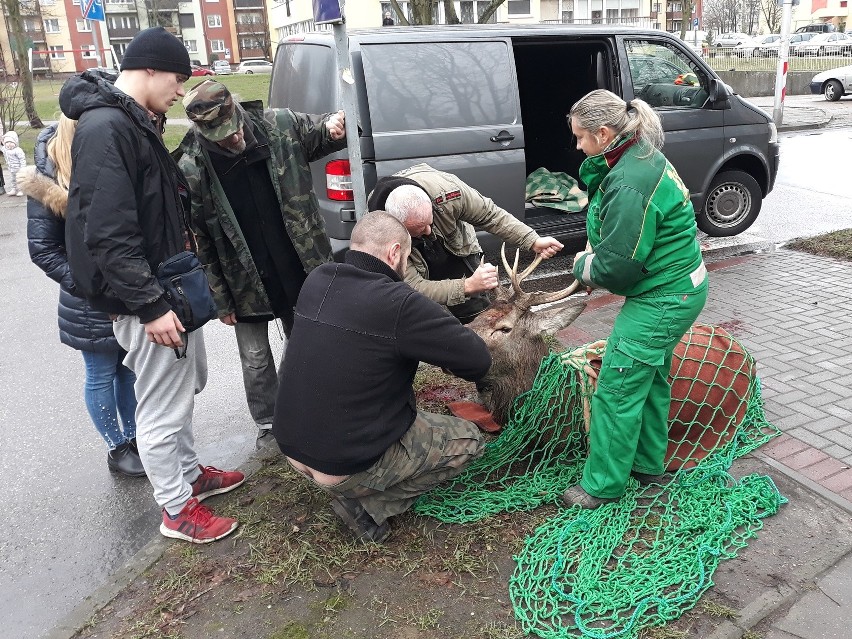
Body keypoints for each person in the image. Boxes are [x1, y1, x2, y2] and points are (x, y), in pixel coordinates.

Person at [59, 27, 246, 543]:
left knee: (187, 385)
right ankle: (175, 509)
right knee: (162, 405)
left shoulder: (136, 122)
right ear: (150, 69)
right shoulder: (107, 128)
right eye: (178, 79)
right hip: (148, 300)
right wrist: (149, 306)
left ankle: (190, 476)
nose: (181, 92)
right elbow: (108, 233)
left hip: (169, 288)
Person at [272, 211, 492, 543]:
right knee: (469, 440)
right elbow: (478, 358)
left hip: (290, 445)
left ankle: (352, 482)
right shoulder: (400, 303)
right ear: (393, 253)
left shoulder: (318, 278)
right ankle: (371, 507)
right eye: (406, 256)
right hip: (342, 464)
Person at [176, 80, 346, 445]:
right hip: (243, 279)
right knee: (254, 358)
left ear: (237, 111)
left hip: (299, 262)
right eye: (221, 137)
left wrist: (334, 128)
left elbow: (319, 133)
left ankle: (299, 407)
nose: (232, 139)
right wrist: (220, 300)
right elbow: (200, 243)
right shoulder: (191, 167)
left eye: (233, 129)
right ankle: (269, 424)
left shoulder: (278, 124)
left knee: (305, 339)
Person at [561, 89, 708, 510]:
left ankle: (602, 486)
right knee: (650, 376)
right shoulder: (637, 153)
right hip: (680, 287)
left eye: (581, 138)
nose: (577, 146)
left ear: (604, 133)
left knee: (618, 386)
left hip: (664, 297)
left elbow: (619, 269)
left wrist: (583, 266)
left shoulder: (629, 182)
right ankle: (646, 463)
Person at [19, 116, 144, 477]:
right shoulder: (46, 179)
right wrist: (91, 287)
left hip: (122, 294)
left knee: (126, 370)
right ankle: (116, 447)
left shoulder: (103, 165)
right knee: (101, 372)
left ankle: (134, 437)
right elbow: (42, 249)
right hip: (87, 300)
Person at [368, 164, 564, 323]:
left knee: (476, 312)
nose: (429, 232)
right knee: (417, 310)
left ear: (432, 203)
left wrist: (532, 240)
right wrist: (467, 286)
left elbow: (490, 215)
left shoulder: (447, 191)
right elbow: (413, 286)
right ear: (398, 227)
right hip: (412, 261)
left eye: (430, 222)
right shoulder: (383, 231)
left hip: (455, 246)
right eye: (420, 229)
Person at [3, 131, 27, 196]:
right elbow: (1, 148)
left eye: (11, 142)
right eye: (7, 142)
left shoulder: (18, 150)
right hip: (11, 169)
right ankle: (14, 189)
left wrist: (23, 168)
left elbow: (22, 159)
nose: (9, 144)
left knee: (19, 180)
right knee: (13, 180)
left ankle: (21, 190)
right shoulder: (5, 150)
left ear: (15, 142)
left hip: (18, 169)